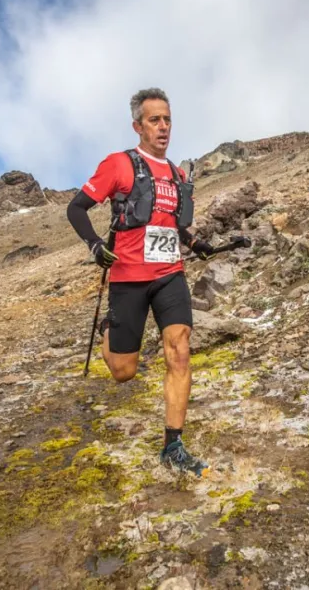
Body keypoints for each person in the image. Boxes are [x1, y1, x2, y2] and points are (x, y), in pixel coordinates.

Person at [66, 87, 216, 477]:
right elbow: (76, 208)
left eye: (167, 119)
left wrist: (195, 243)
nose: (164, 127)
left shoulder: (178, 174)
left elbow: (172, 225)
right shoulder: (118, 164)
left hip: (170, 276)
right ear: (138, 126)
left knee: (179, 350)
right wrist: (96, 244)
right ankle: (108, 329)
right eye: (155, 120)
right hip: (128, 278)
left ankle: (173, 445)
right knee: (123, 371)